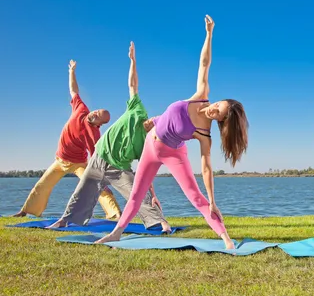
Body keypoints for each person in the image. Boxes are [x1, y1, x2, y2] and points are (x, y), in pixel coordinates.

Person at [95, 15, 249, 248]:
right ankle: (117, 233)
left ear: (221, 120)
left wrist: (213, 200)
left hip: (173, 153)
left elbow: (206, 168)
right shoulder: (201, 95)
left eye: (218, 113)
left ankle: (225, 237)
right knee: (136, 195)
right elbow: (205, 63)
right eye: (218, 105)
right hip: (150, 145)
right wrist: (209, 34)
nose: (213, 110)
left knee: (197, 198)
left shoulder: (204, 133)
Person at [48, 42, 171, 231]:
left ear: (155, 130)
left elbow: (146, 171)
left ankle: (160, 222)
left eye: (153, 124)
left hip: (119, 170)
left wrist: (153, 193)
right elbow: (133, 84)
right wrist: (133, 61)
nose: (148, 122)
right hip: (99, 158)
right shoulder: (137, 110)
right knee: (81, 192)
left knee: (137, 193)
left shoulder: (147, 143)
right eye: (152, 120)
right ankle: (65, 219)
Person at [12, 60, 120, 219]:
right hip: (60, 160)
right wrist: (72, 72)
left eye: (98, 117)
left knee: (96, 185)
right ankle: (26, 211)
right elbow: (74, 91)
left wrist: (101, 178)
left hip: (79, 163)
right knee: (42, 185)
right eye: (96, 111)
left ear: (99, 124)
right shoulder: (81, 109)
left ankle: (115, 213)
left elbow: (97, 157)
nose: (94, 114)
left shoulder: (94, 134)